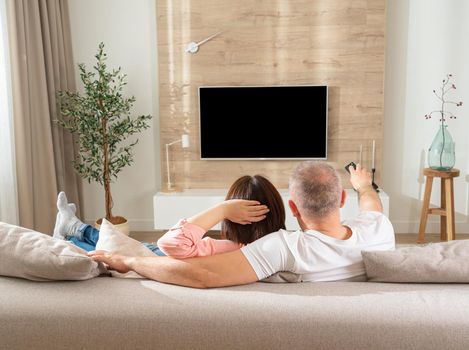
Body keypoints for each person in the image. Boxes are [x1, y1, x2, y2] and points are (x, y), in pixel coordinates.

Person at [89, 161, 395, 288]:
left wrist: (128, 261)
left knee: (145, 248)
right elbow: (372, 205)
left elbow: (203, 274)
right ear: (342, 198)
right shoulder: (379, 228)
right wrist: (364, 186)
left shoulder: (286, 248)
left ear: (293, 206)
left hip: (173, 251)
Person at [53, 175, 285, 258]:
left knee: (123, 244)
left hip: (161, 257)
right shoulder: (278, 246)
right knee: (122, 243)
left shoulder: (226, 249)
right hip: (169, 253)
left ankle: (71, 231)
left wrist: (222, 209)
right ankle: (71, 231)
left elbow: (168, 242)